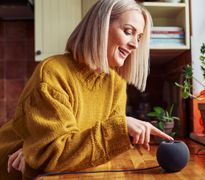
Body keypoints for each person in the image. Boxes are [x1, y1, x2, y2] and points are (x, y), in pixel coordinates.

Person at [0, 0, 174, 179]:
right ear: (100, 27)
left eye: (139, 37)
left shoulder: (115, 83)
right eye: (128, 32)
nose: (135, 45)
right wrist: (39, 152)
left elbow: (87, 151)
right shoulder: (53, 73)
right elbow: (54, 153)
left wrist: (37, 153)